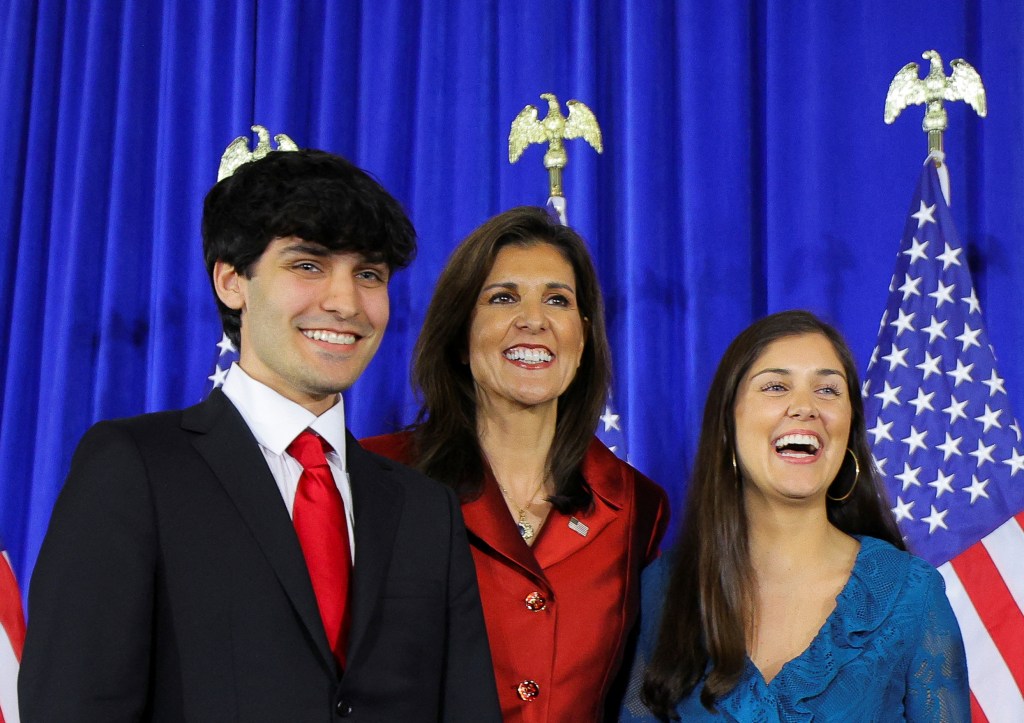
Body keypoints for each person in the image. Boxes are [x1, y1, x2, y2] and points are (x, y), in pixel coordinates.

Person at [19, 147, 501, 721]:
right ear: (231, 281)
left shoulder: (427, 510)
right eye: (308, 265)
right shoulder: (133, 468)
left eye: (368, 274)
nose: (346, 302)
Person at [362, 206, 670, 722]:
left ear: (583, 337)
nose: (534, 319)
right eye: (503, 298)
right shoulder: (374, 475)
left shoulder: (639, 504)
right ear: (460, 335)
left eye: (558, 300)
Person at [620, 310, 969, 722]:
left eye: (827, 390)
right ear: (728, 427)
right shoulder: (662, 590)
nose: (804, 407)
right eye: (775, 386)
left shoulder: (913, 595)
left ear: (849, 431)